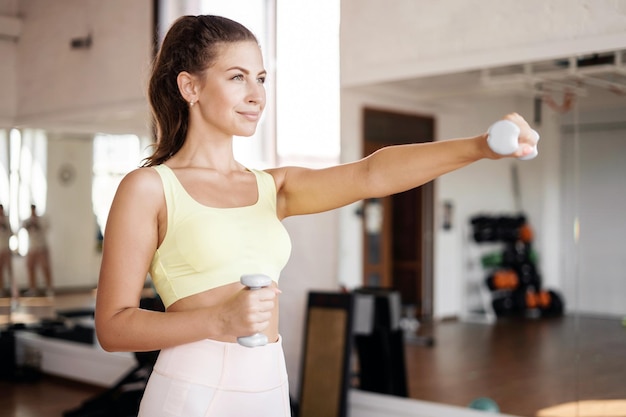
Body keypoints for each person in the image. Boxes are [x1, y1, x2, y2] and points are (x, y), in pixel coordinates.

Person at [94, 15, 538, 417]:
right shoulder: (149, 188)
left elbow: (371, 173)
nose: (256, 95)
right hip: (192, 390)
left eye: (261, 78)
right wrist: (217, 321)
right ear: (190, 87)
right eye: (237, 77)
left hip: (268, 385)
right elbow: (113, 326)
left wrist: (480, 147)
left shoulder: (273, 187)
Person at [21, 204, 54, 297]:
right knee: (30, 268)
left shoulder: (41, 220)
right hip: (32, 248)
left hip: (41, 248)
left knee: (45, 268)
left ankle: (49, 288)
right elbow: (22, 226)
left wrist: (36, 223)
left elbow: (46, 228)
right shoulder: (28, 221)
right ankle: (33, 289)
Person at [0, 204, 16, 298]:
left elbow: (11, 233)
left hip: (6, 250)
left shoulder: (6, 220)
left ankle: (13, 290)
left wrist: (4, 226)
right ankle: (1, 290)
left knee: (10, 271)